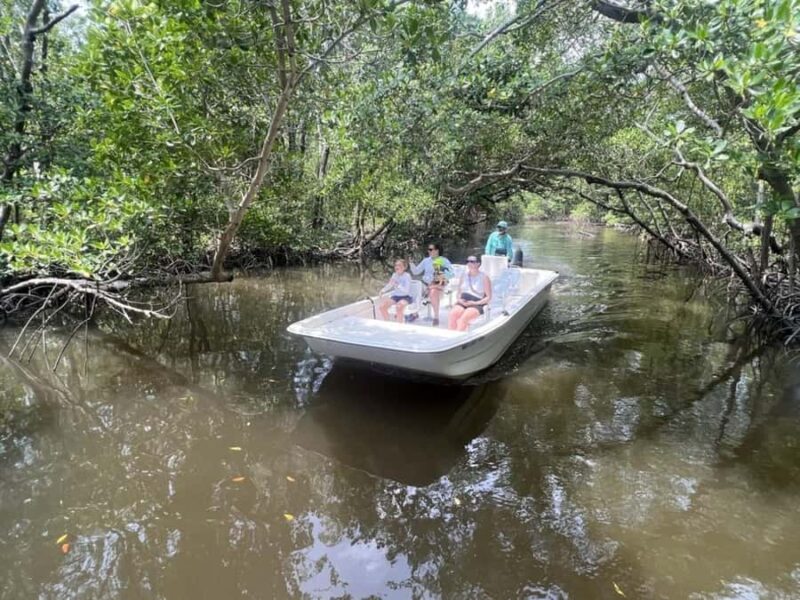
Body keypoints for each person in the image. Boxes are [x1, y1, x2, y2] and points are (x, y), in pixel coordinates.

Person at [410, 242, 453, 327]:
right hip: (425, 283)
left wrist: (441, 276)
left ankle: (436, 317)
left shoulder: (443, 261)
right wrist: (410, 262)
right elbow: (416, 272)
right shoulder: (426, 260)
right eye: (428, 250)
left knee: (433, 292)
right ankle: (415, 312)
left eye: (431, 249)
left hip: (437, 284)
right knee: (414, 288)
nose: (429, 251)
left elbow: (451, 274)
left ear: (437, 250)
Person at [448, 255, 492, 331]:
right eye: (467, 261)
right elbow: (458, 292)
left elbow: (488, 297)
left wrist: (475, 303)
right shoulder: (464, 275)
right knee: (453, 315)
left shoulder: (484, 277)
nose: (469, 263)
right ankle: (450, 337)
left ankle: (458, 339)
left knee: (463, 319)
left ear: (478, 263)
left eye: (472, 261)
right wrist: (459, 300)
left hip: (476, 302)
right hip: (463, 300)